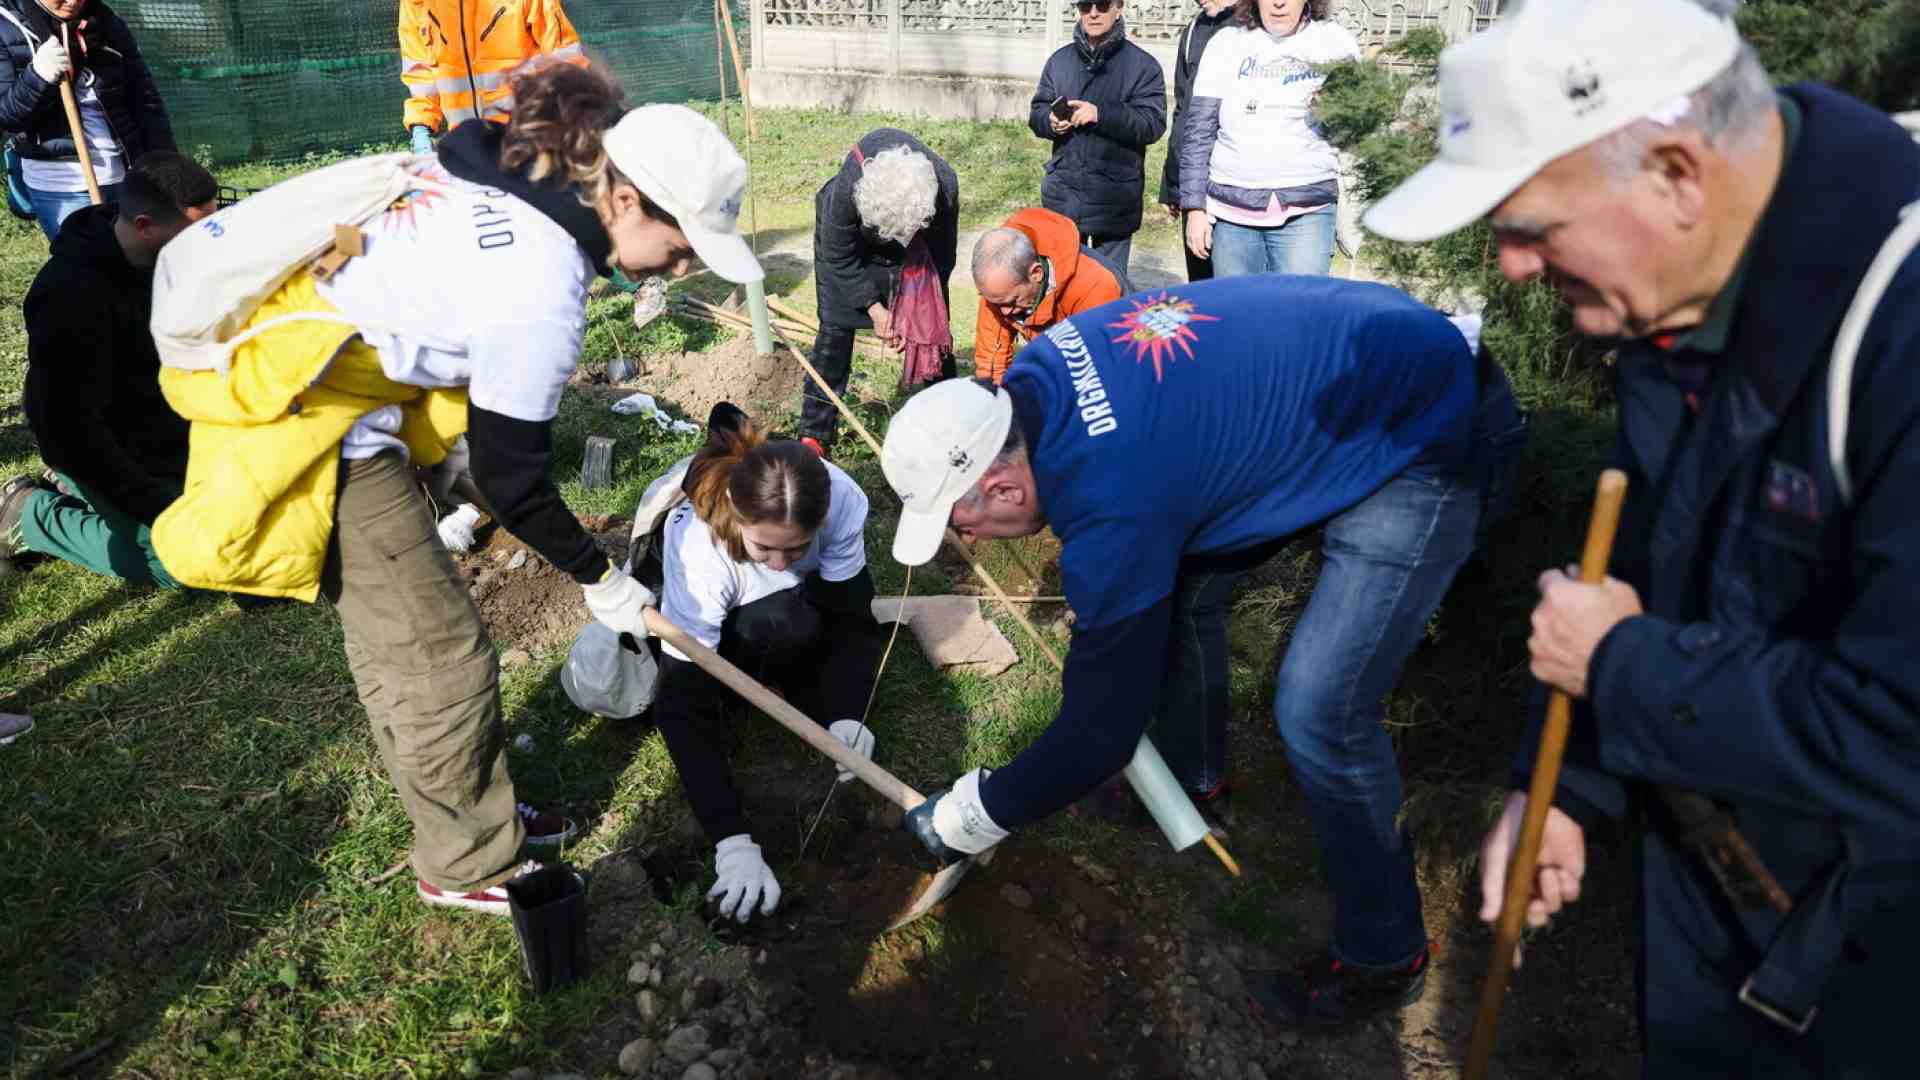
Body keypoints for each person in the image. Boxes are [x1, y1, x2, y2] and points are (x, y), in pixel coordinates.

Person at [1365, 0, 1920, 1070]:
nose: (1513, 266)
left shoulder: (1893, 338)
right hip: (1739, 935)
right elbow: (1643, 574)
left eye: (1531, 225)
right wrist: (1566, 783)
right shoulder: (1676, 296)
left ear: (1673, 172)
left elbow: (1901, 727)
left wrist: (1621, 671)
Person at [151, 63, 765, 916]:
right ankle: (467, 859)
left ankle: (474, 811)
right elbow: (514, 480)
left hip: (329, 376)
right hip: (311, 413)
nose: (687, 259)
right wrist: (600, 575)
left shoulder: (524, 167)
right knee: (438, 658)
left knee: (402, 641)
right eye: (685, 240)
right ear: (625, 200)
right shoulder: (542, 290)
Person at [879, 275, 1526, 1028]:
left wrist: (974, 812)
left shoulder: (1113, 497)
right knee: (1181, 589)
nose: (969, 540)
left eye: (962, 523)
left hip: (1429, 429)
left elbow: (1099, 734)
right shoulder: (1038, 373)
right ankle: (1195, 780)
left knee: (1322, 709)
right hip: (1364, 371)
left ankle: (1386, 957)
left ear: (1005, 487)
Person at [633, 404, 884, 923]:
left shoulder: (843, 502)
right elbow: (680, 705)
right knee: (773, 626)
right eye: (766, 547)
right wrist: (731, 839)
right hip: (681, 576)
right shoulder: (697, 552)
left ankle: (798, 679)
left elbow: (852, 616)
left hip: (767, 587)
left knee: (804, 621)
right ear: (738, 515)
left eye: (798, 549)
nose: (778, 562)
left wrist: (846, 712)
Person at [0, 153, 215, 586]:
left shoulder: (173, 262)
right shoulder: (68, 297)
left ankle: (72, 492)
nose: (212, 239)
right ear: (143, 225)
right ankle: (30, 513)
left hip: (169, 435)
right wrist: (157, 508)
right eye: (197, 230)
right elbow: (70, 434)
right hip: (100, 450)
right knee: (190, 565)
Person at [803, 129, 960, 455]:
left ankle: (949, 421)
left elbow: (942, 262)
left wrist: (916, 310)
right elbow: (838, 257)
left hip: (919, 247)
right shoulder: (847, 191)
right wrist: (876, 309)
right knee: (834, 328)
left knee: (934, 329)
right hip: (853, 245)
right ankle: (814, 434)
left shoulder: (944, 187)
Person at [1177, 0, 1358, 278]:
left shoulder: (1334, 42)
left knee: (1298, 314)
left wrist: (1336, 110)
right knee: (1239, 315)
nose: (1278, 3)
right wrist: (1195, 208)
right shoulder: (1226, 43)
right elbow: (1199, 131)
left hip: (1306, 211)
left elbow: (1358, 126)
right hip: (1231, 213)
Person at [0, 0, 176, 240]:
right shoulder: (5, 24)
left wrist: (166, 165)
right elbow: (6, 116)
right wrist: (37, 76)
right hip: (63, 187)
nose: (74, 1)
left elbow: (145, 101)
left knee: (140, 264)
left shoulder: (105, 21)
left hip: (127, 175)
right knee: (88, 269)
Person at [1031, 0, 1166, 276]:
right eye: (1084, 5)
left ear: (1120, 7)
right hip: (1064, 195)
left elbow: (1152, 124)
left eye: (1102, 4)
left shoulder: (1143, 65)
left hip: (1114, 198)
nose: (1093, 12)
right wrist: (1050, 121)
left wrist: (1100, 114)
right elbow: (1037, 111)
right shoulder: (1060, 61)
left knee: (1108, 294)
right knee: (1061, 289)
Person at [398, 0, 586, 155]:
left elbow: (563, 55)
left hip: (528, 136)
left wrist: (586, 112)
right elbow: (420, 70)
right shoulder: (417, 3)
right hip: (467, 142)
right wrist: (420, 126)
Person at [971, 207, 1129, 384]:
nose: (1005, 312)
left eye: (1012, 302)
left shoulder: (1094, 286)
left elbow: (1095, 371)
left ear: (1036, 273)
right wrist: (993, 397)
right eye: (997, 303)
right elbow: (991, 362)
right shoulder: (1001, 290)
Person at [1160, 0, 1238, 284]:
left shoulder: (1255, 27)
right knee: (1201, 282)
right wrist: (1173, 183)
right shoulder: (1194, 29)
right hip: (1194, 181)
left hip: (1236, 183)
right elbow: (1182, 108)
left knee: (1237, 289)